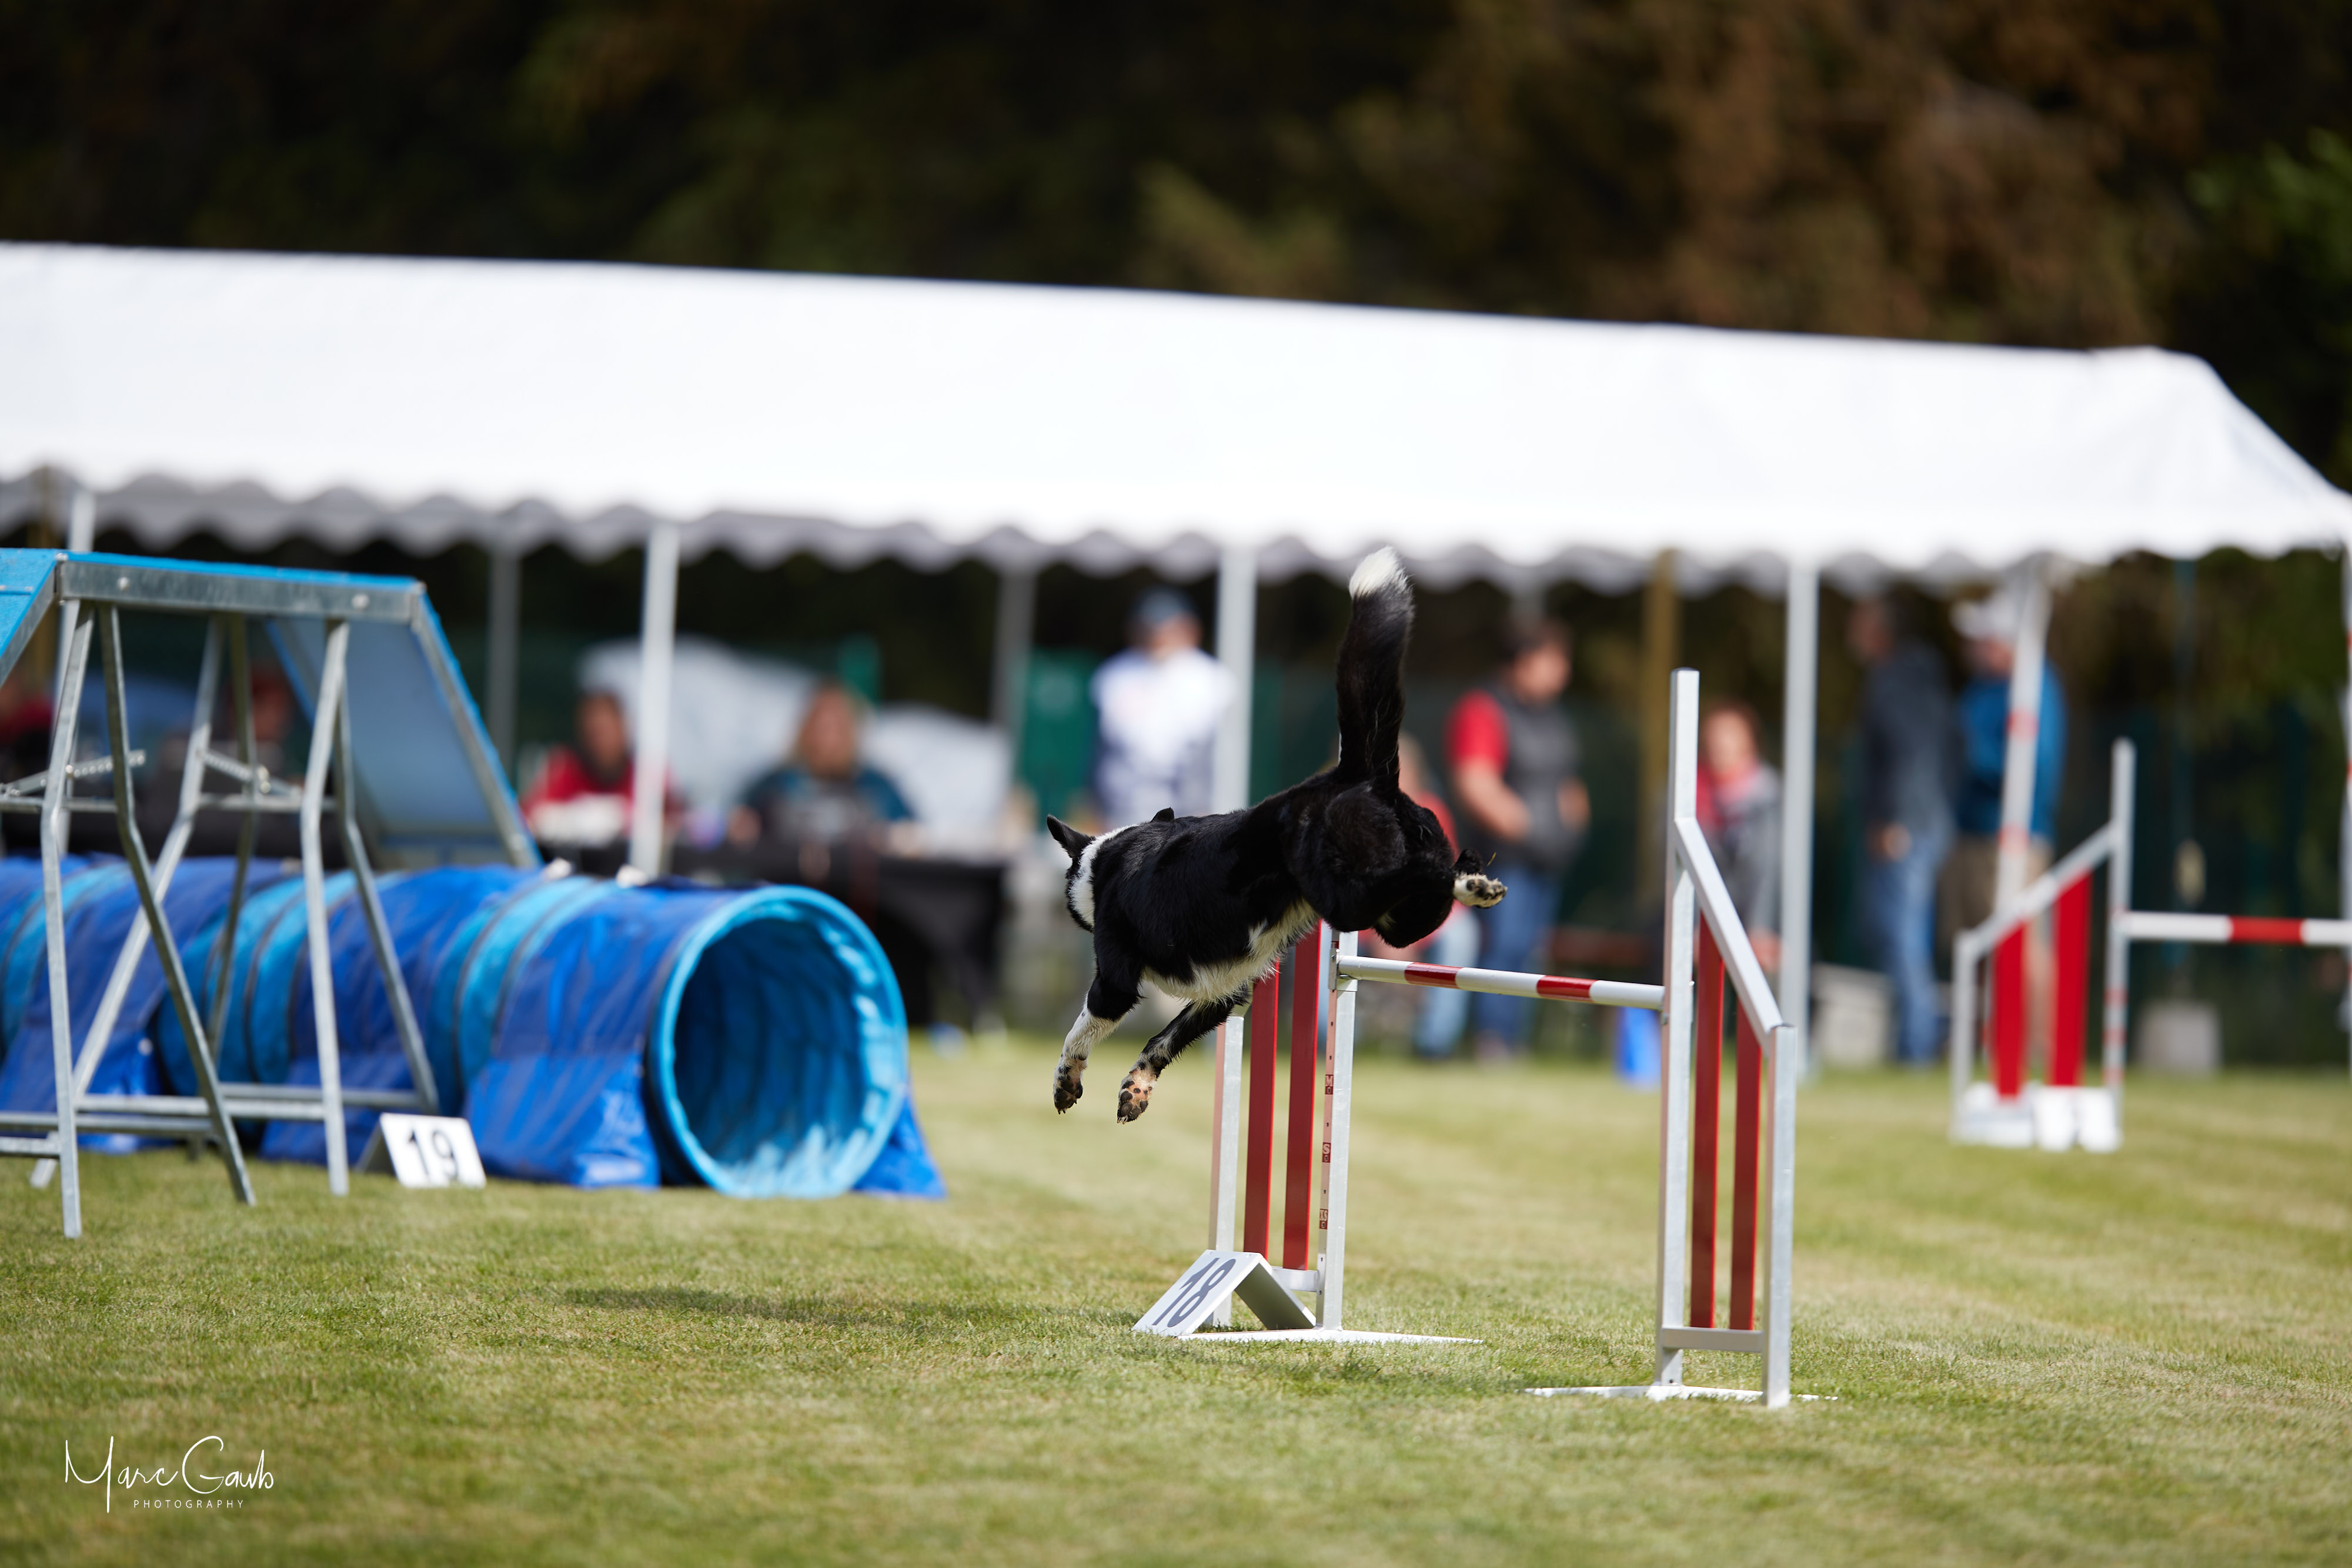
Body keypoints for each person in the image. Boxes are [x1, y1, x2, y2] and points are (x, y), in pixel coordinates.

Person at [1446, 618, 1589, 1061]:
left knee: (1528, 952)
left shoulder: (1551, 716)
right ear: (1524, 660)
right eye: (1554, 660)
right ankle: (1489, 1040)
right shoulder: (1483, 708)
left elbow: (1566, 781)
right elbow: (1476, 784)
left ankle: (1512, 1041)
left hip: (1545, 859)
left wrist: (1568, 826)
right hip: (1502, 858)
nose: (1563, 671)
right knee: (1502, 948)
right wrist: (1531, 829)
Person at [1848, 597, 1955, 1066]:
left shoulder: (1897, 682)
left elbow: (1912, 754)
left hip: (1907, 825)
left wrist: (1896, 820)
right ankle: (1918, 1034)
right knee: (1902, 934)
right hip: (1926, 820)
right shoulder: (1922, 679)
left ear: (1878, 630)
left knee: (1902, 936)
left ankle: (1917, 1043)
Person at [1941, 588, 2067, 942]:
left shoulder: (2036, 686)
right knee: (1973, 946)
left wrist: (1972, 753)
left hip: (2012, 843)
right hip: (1970, 835)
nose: (1972, 647)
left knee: (2018, 947)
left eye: (1982, 639)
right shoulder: (1980, 688)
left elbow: (2034, 768)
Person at [1362, 735, 1481, 1058]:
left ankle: (1435, 1044)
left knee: (1462, 932)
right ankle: (1322, 1037)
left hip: (1422, 921)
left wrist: (1412, 930)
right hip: (1361, 924)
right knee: (1320, 930)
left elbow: (1445, 886)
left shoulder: (1434, 813)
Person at [1090, 587, 1230, 827]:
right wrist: (1096, 802)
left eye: (1167, 629)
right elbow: (1101, 749)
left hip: (1189, 810)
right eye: (1150, 629)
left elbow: (1214, 755)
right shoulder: (1114, 674)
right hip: (1124, 807)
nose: (1158, 637)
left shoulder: (1212, 679)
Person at [731, 680, 913, 844]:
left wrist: (892, 838)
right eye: (821, 725)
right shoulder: (775, 786)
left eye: (836, 726)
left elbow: (911, 835)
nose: (827, 737)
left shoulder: (878, 789)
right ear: (805, 729)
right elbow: (739, 826)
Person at [520, 687, 676, 847]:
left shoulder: (647, 774)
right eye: (592, 733)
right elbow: (529, 818)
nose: (600, 742)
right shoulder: (565, 768)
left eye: (605, 731)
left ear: (623, 728)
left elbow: (673, 824)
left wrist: (621, 815)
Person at [1697, 700, 1782, 972]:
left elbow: (1770, 871)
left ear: (1750, 743)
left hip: (1763, 920)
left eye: (1729, 734)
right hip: (1702, 922)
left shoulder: (1771, 799)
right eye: (1714, 735)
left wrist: (1760, 927)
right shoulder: (1687, 793)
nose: (1720, 743)